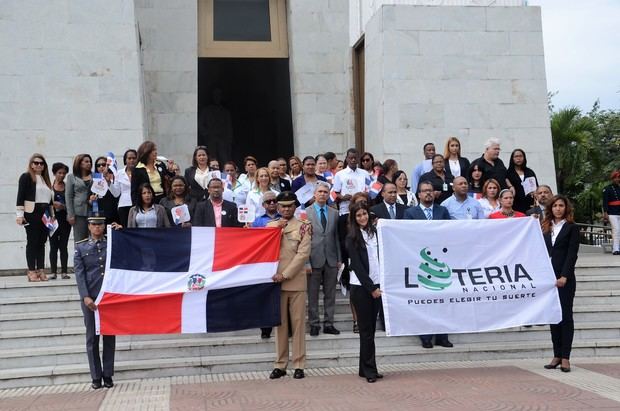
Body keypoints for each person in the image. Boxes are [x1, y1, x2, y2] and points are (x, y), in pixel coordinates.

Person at [268, 192, 312, 381]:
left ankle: (299, 364)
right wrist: (276, 230)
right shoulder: (269, 227)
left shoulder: (304, 227)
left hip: (295, 281)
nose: (286, 209)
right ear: (277, 207)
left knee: (299, 325)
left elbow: (303, 255)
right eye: (283, 206)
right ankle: (280, 364)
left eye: (290, 205)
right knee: (280, 326)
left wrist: (285, 275)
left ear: (295, 207)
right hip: (274, 283)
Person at [74, 216, 122, 389]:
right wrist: (85, 296)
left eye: (100, 224)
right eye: (94, 225)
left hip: (108, 298)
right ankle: (95, 376)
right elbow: (79, 274)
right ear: (88, 226)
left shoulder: (112, 243)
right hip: (91, 298)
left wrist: (120, 233)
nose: (97, 228)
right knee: (92, 338)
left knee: (109, 338)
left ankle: (108, 375)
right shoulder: (81, 247)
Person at [404, 181, 452, 349]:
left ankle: (441, 335)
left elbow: (449, 232)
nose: (428, 194)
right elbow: (408, 236)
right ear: (418, 195)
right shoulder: (410, 213)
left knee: (441, 300)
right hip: (421, 262)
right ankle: (425, 335)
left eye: (430, 191)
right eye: (424, 191)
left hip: (441, 261)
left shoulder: (442, 210)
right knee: (424, 301)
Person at [346, 202, 383, 383]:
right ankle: (369, 370)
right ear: (354, 218)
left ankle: (367, 368)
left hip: (376, 284)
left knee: (370, 331)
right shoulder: (352, 237)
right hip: (362, 288)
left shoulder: (375, 233)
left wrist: (378, 285)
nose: (363, 218)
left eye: (364, 214)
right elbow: (358, 268)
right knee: (366, 330)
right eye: (359, 215)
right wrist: (372, 288)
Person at [542, 195, 579, 372]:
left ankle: (565, 357)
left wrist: (564, 275)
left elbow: (572, 254)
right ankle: (556, 354)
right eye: (555, 205)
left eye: (561, 205)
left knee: (565, 316)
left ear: (566, 208)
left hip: (565, 279)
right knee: (553, 317)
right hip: (548, 278)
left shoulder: (572, 228)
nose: (558, 208)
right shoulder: (546, 227)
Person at [306, 182, 341, 336]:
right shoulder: (305, 213)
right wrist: (306, 261)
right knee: (313, 294)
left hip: (332, 258)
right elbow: (304, 238)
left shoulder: (334, 213)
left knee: (330, 294)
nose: (322, 194)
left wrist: (339, 258)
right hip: (313, 258)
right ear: (314, 194)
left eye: (325, 192)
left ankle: (329, 323)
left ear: (328, 195)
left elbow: (336, 237)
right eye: (319, 191)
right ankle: (314, 324)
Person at [16, 153, 54, 282]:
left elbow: (50, 201)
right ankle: (31, 271)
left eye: (41, 163)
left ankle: (41, 270)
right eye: (36, 163)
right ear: (31, 164)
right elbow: (20, 196)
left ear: (44, 166)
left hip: (45, 213)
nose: (38, 165)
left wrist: (52, 216)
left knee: (42, 242)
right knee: (32, 242)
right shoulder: (26, 177)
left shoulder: (46, 180)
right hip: (32, 212)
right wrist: (20, 215)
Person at [251, 190, 281, 340]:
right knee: (265, 296)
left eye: (274, 201)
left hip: (281, 260)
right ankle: (265, 328)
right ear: (263, 205)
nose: (272, 203)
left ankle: (284, 327)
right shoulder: (257, 221)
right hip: (264, 262)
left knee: (282, 295)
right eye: (268, 202)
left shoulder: (285, 218)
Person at [49, 162, 72, 280]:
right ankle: (53, 271)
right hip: (52, 219)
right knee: (53, 245)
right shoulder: (49, 187)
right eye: (59, 173)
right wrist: (53, 205)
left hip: (65, 219)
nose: (62, 175)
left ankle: (64, 271)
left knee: (63, 245)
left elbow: (72, 203)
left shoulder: (68, 187)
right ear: (54, 173)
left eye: (64, 173)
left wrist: (63, 207)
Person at [66, 153, 96, 243]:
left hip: (93, 210)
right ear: (79, 163)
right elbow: (69, 196)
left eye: (90, 162)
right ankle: (79, 257)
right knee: (80, 239)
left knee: (93, 238)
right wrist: (70, 214)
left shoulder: (95, 176)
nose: (89, 163)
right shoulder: (72, 177)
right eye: (86, 161)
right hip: (78, 212)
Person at [506, 149, 538, 213]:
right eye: (516, 156)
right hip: (515, 205)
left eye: (520, 156)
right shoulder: (508, 173)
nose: (518, 158)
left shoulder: (529, 172)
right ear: (512, 159)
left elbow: (536, 187)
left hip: (530, 205)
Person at [93, 156, 121, 224]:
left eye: (103, 164)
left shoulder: (115, 176)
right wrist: (91, 199)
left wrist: (109, 182)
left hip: (114, 212)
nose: (101, 167)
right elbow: (90, 197)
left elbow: (117, 194)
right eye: (98, 165)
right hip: (100, 213)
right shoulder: (95, 178)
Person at [117, 149, 137, 227]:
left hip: (137, 204)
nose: (132, 160)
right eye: (129, 158)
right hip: (124, 204)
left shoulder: (140, 171)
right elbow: (116, 193)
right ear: (125, 160)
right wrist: (109, 183)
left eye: (134, 158)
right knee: (125, 227)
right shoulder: (119, 173)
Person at [602, 171, 620, 255]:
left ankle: (618, 247)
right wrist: (605, 212)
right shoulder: (607, 188)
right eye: (616, 177)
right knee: (616, 230)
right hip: (612, 212)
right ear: (612, 179)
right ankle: (615, 249)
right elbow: (605, 201)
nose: (617, 179)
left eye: (618, 177)